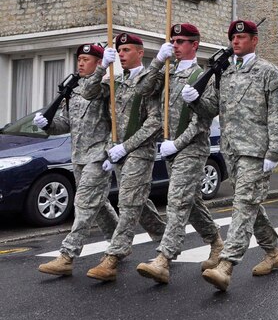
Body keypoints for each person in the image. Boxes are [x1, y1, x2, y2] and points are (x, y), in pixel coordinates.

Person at [183, 19, 278, 291]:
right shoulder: (226, 73)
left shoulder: (267, 71)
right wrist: (194, 99)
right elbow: (211, 109)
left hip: (257, 151)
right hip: (231, 151)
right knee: (250, 204)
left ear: (254, 40)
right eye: (233, 38)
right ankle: (273, 252)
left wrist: (274, 150)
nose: (236, 41)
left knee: (243, 204)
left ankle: (226, 265)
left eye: (242, 37)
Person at [135, 24, 223, 284]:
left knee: (176, 201)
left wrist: (177, 143)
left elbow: (203, 120)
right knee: (191, 202)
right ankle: (217, 242)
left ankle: (164, 259)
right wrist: (157, 61)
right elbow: (142, 91)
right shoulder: (167, 73)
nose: (176, 45)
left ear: (195, 45)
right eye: (173, 41)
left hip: (192, 148)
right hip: (170, 149)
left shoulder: (203, 76)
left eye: (181, 41)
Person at [80, 33, 167, 282]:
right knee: (138, 202)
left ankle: (113, 257)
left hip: (139, 151)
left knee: (128, 202)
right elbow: (87, 93)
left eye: (127, 50)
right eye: (119, 51)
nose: (122, 54)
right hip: (117, 151)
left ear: (140, 53)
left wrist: (126, 147)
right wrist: (100, 69)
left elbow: (155, 122)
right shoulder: (114, 81)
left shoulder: (149, 80)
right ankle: (165, 238)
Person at [36, 44, 120, 277]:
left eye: (86, 59)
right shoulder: (73, 87)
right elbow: (66, 122)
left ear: (98, 61)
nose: (81, 63)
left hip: (98, 155)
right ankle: (119, 244)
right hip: (78, 155)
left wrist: (112, 153)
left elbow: (117, 121)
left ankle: (67, 255)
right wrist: (48, 125)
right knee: (99, 204)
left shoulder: (106, 85)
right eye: (79, 59)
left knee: (83, 203)